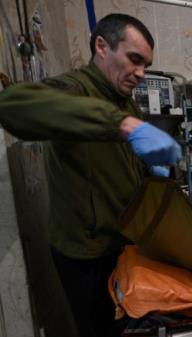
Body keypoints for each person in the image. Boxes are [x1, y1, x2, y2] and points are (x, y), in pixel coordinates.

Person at [0, 13, 181, 337]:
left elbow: (125, 168)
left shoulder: (127, 103)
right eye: (134, 60)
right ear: (101, 46)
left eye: (146, 65)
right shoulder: (74, 88)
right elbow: (12, 106)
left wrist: (152, 172)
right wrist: (123, 126)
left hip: (124, 243)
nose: (141, 73)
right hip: (87, 254)